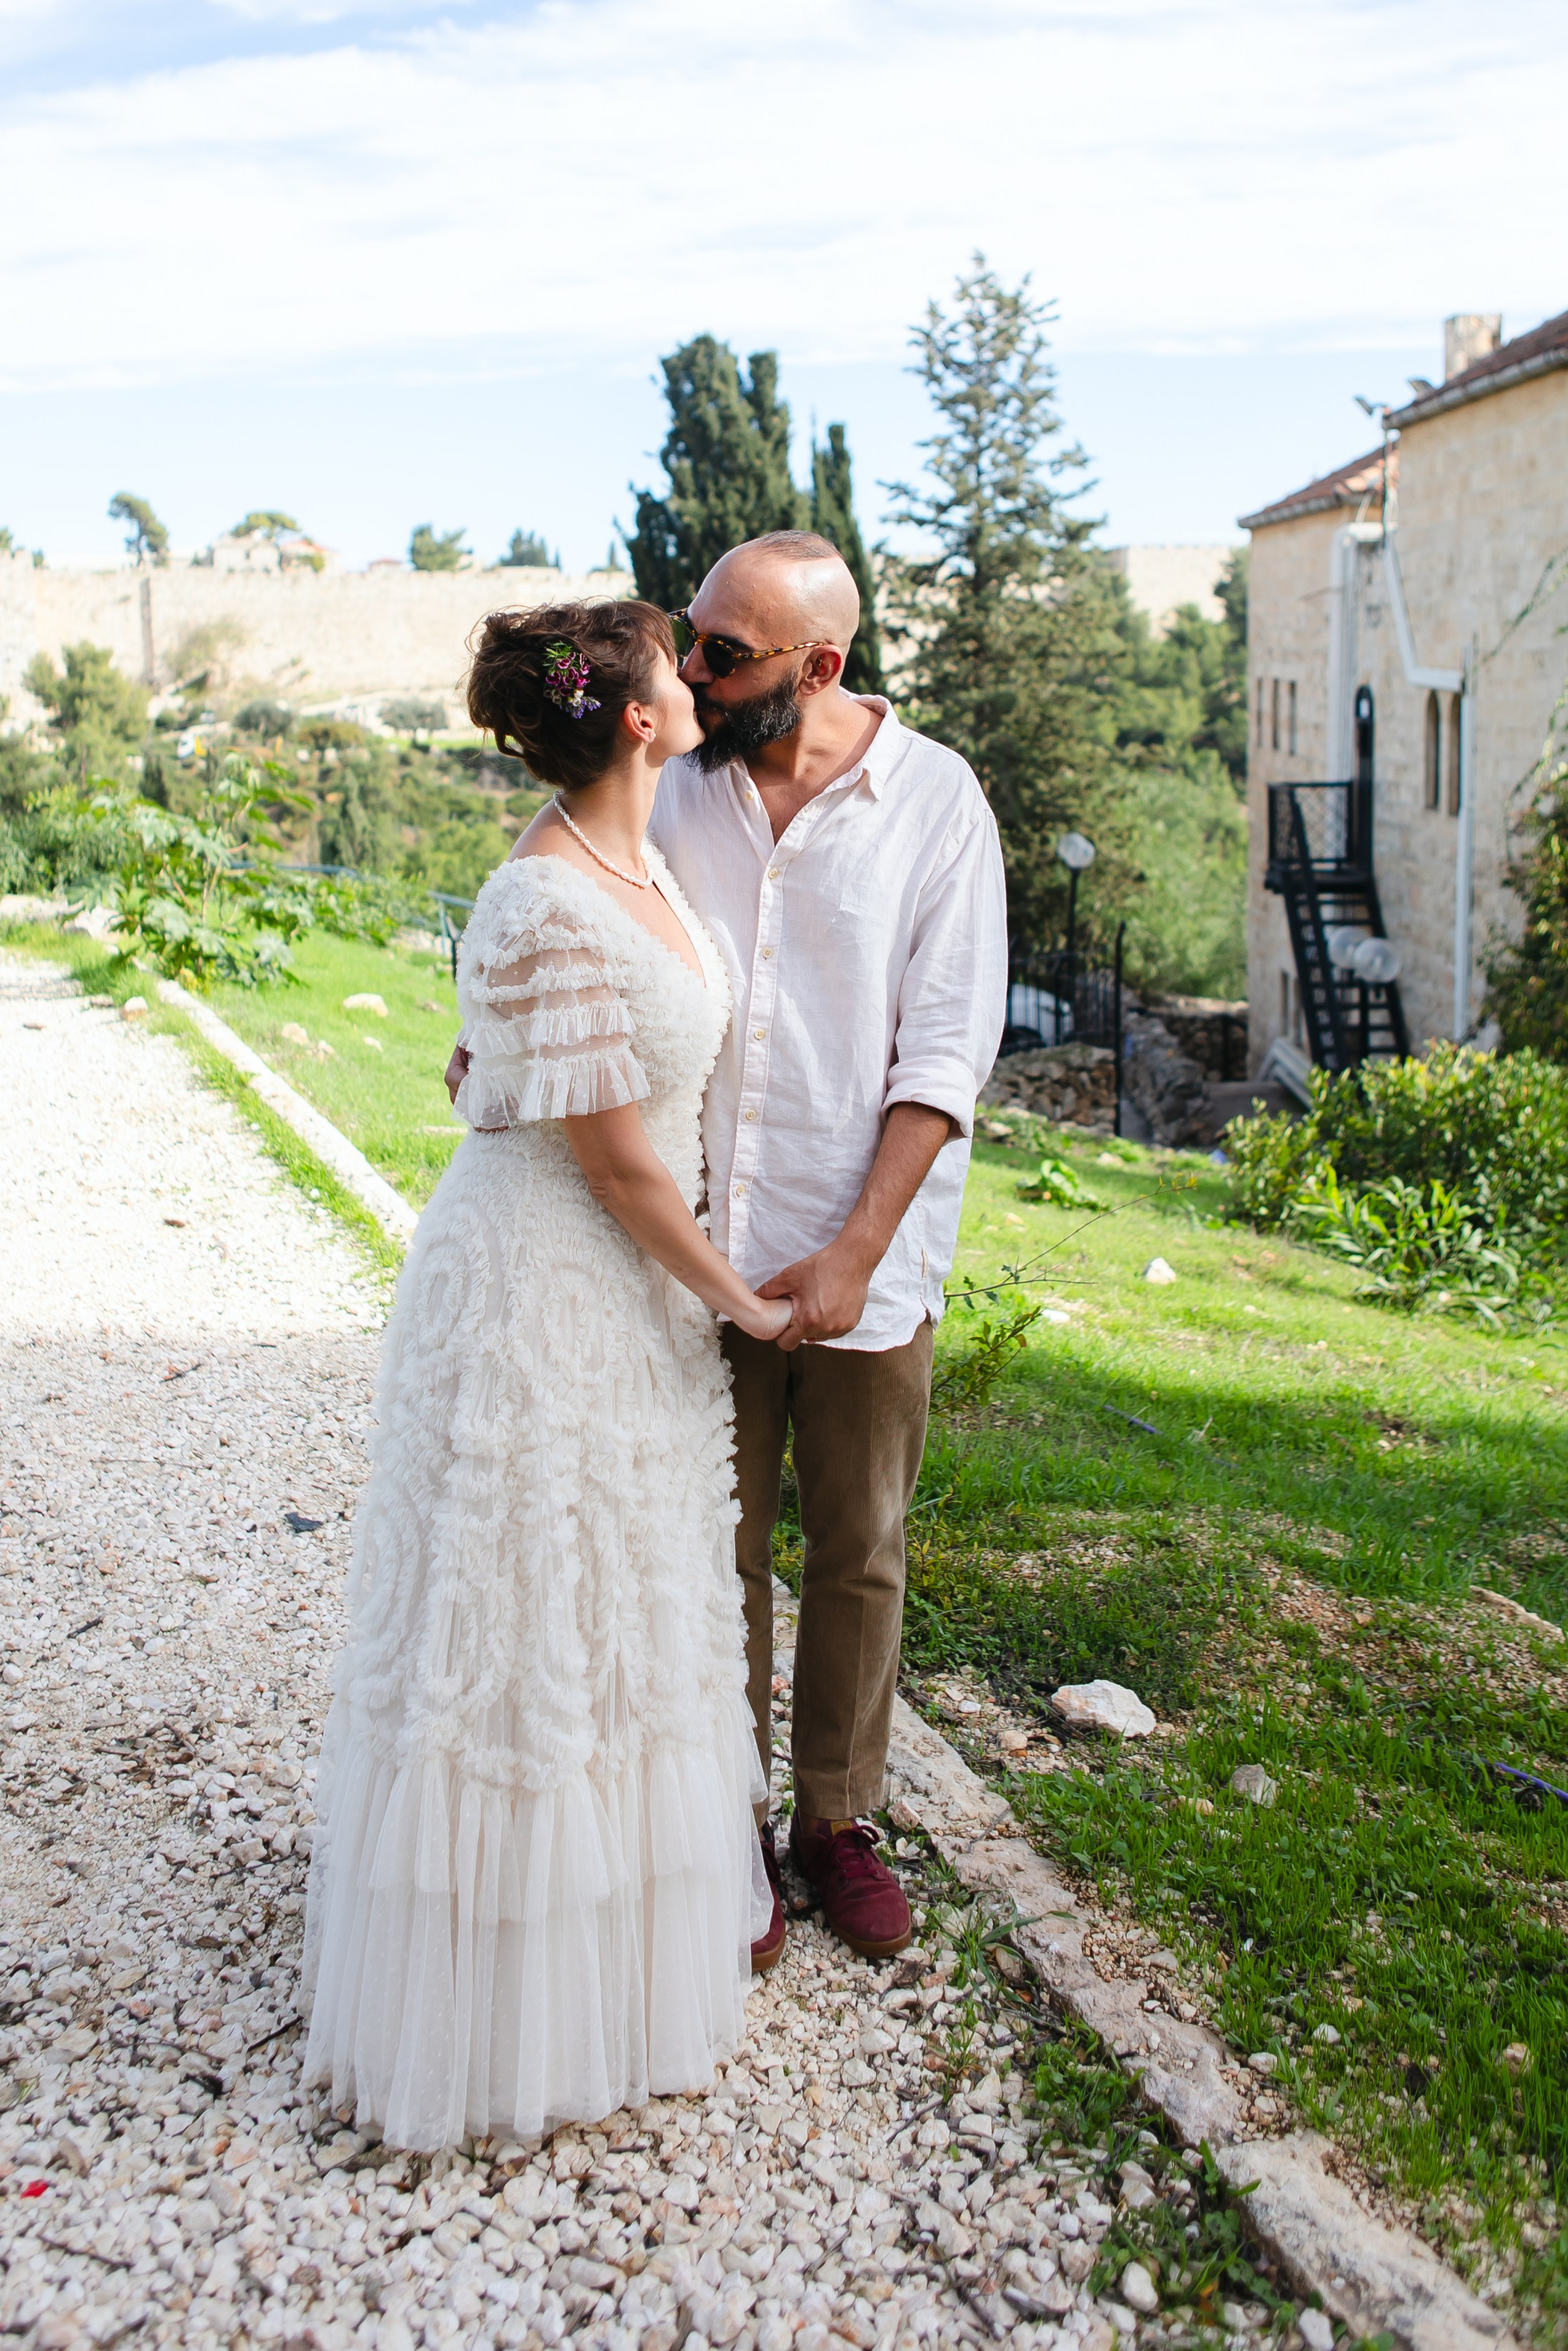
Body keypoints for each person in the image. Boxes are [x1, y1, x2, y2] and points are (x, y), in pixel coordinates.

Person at [302, 597, 790, 2152]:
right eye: (676, 657)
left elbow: (535, 1070)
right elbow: (617, 1165)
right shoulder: (542, 895)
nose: (696, 670)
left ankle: (621, 1963)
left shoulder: (642, 855)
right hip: (541, 1287)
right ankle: (492, 1998)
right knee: (525, 1619)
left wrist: (488, 1057)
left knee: (622, 1608)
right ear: (636, 713)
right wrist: (742, 1305)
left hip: (624, 1298)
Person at [650, 532, 1007, 1963]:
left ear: (824, 666)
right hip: (699, 1256)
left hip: (869, 1258)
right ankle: (725, 1820)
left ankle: (835, 1822)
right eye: (693, 636)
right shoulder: (676, 791)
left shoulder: (938, 805)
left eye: (726, 655)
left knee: (860, 1548)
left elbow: (944, 1054)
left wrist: (861, 1247)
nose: (694, 671)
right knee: (712, 1547)